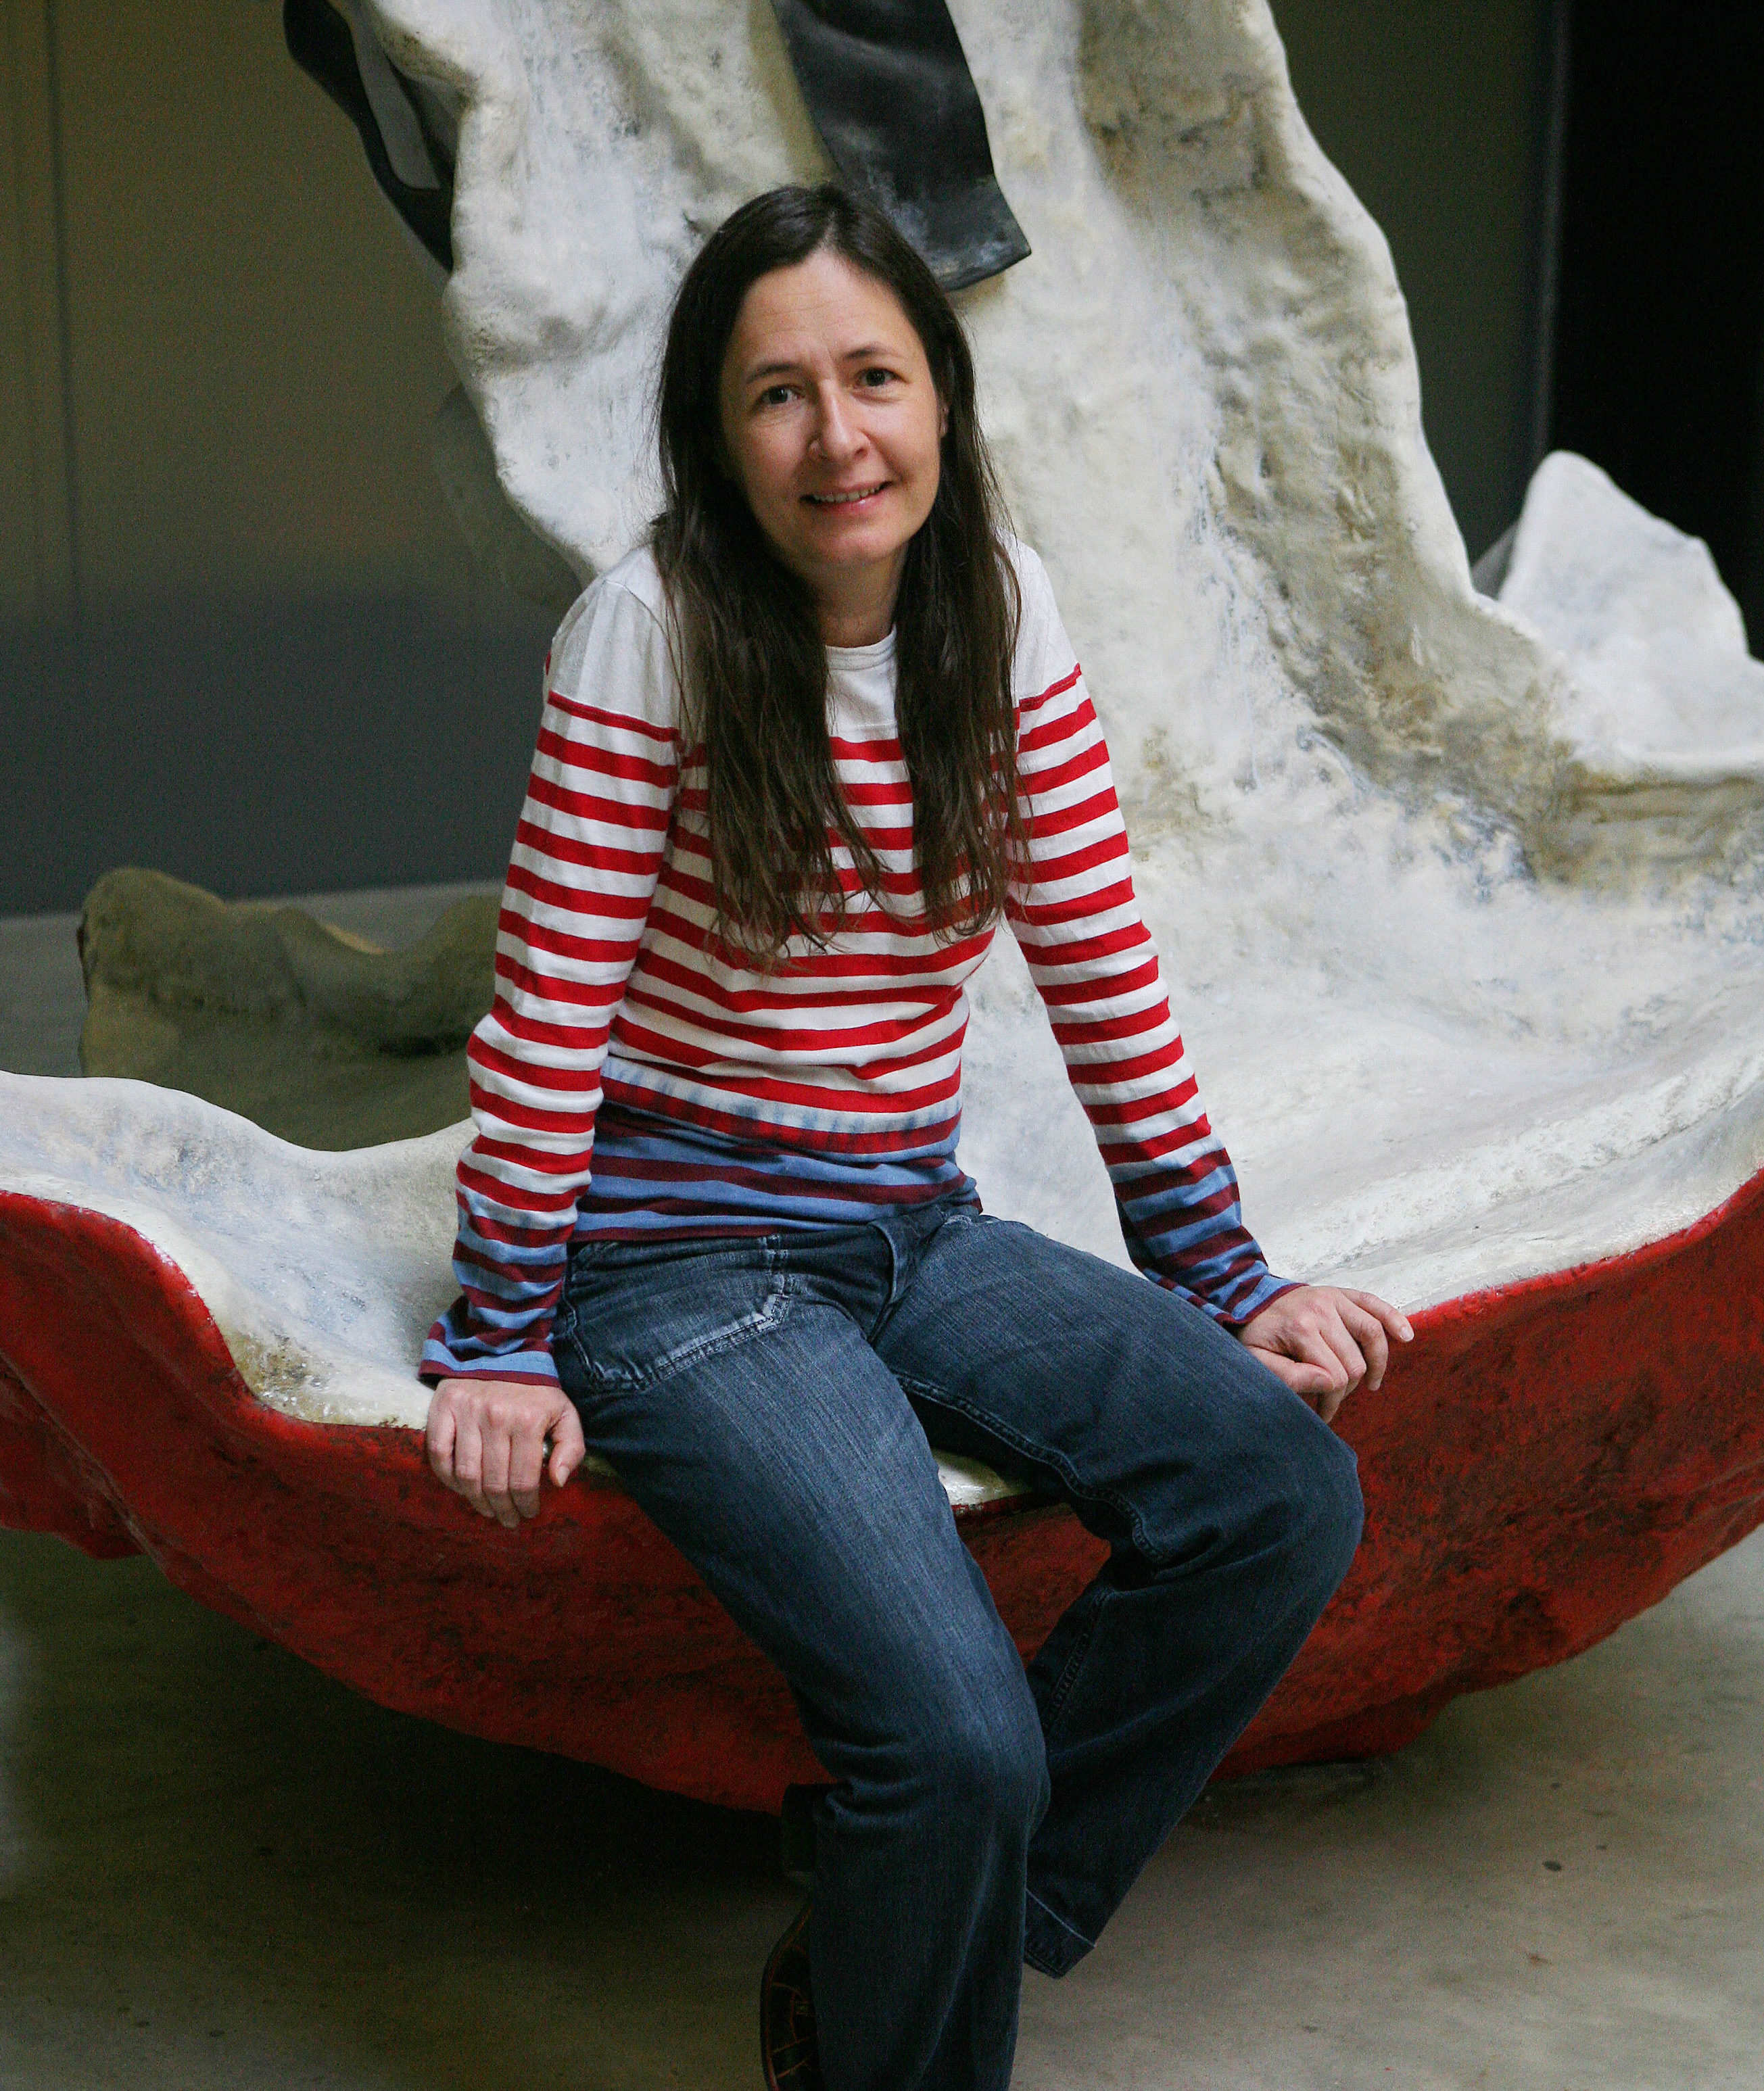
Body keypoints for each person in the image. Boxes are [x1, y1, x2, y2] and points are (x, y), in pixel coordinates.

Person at [420, 182, 1410, 2091]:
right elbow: (545, 1017)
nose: (837, 435)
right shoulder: (651, 632)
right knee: (953, 1744)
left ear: (944, 401)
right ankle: (913, 1948)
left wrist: (1229, 1282)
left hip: (909, 1222)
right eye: (776, 393)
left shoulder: (1001, 610)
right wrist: (502, 1339)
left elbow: (1105, 966)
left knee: (1281, 1490)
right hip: (676, 1265)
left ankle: (908, 1925)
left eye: (874, 376)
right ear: (719, 437)